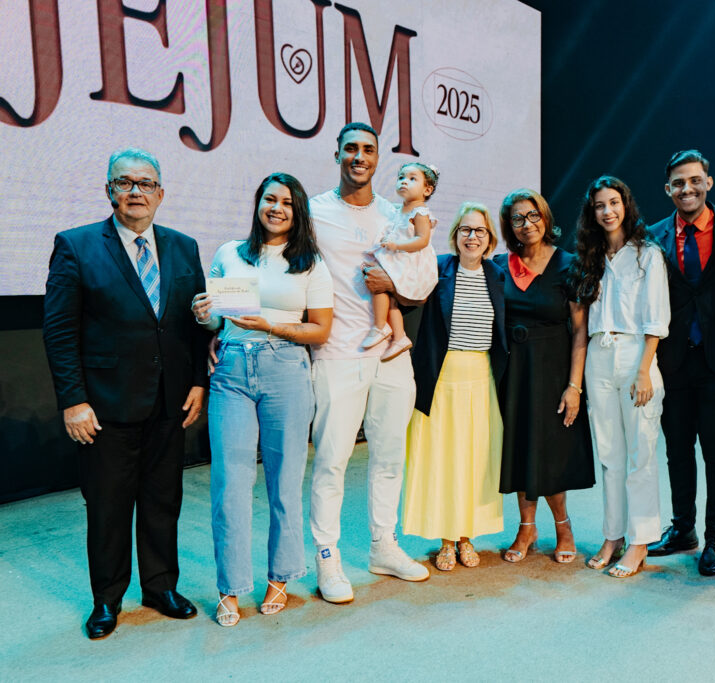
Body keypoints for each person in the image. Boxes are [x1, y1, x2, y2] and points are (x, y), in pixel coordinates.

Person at [42, 148, 208, 639]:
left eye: (146, 183)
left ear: (161, 193)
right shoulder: (75, 245)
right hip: (104, 406)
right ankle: (107, 599)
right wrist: (73, 401)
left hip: (169, 403)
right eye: (125, 182)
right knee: (108, 508)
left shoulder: (184, 247)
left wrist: (198, 381)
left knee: (163, 501)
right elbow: (59, 331)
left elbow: (194, 324)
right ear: (109, 190)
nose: (136, 191)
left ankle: (160, 587)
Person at [191, 173, 333, 627]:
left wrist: (270, 325)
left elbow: (320, 330)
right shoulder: (229, 253)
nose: (277, 208)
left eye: (287, 202)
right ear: (258, 204)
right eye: (270, 199)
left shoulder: (310, 263)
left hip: (286, 368)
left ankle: (280, 577)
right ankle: (230, 587)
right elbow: (216, 322)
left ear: (298, 211)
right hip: (232, 369)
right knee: (229, 484)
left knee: (284, 483)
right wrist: (204, 318)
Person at [307, 122, 430, 604]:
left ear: (378, 158)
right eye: (351, 149)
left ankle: (384, 546)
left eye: (368, 150)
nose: (360, 157)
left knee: (389, 456)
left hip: (391, 352)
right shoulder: (313, 211)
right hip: (338, 352)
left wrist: (391, 286)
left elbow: (421, 282)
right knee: (332, 461)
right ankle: (327, 557)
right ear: (336, 154)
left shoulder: (395, 214)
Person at [645, 151, 715, 576]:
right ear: (667, 189)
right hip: (673, 359)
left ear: (709, 182)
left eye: (694, 180)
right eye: (678, 183)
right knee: (677, 449)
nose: (686, 189)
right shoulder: (651, 236)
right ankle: (682, 528)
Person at [570, 175, 670, 578]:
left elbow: (656, 319)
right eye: (599, 205)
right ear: (592, 213)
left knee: (640, 454)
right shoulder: (590, 259)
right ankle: (612, 536)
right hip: (598, 355)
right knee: (609, 454)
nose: (607, 211)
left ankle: (639, 541)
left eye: (614, 202)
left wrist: (644, 370)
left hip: (635, 356)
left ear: (625, 205)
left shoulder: (648, 255)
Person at [402, 203, 509, 570]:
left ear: (489, 238)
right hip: (441, 379)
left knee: (475, 461)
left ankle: (467, 536)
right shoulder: (438, 269)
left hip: (481, 381)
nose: (472, 236)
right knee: (443, 460)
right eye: (465, 229)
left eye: (479, 230)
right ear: (455, 235)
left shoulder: (499, 276)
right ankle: (447, 539)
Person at [494, 189, 594, 565]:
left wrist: (574, 386)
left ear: (545, 218)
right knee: (520, 449)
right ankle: (527, 528)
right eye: (518, 218)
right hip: (513, 372)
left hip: (553, 371)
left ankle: (563, 526)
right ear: (509, 226)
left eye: (533, 215)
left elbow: (581, 330)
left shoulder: (569, 264)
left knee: (551, 452)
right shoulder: (501, 265)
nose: (527, 224)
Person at [360, 162, 440, 360]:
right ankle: (399, 336)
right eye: (401, 177)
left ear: (427, 190)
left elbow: (422, 240)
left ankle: (380, 326)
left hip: (411, 262)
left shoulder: (420, 212)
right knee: (388, 295)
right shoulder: (399, 210)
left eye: (412, 179)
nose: (404, 181)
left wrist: (396, 245)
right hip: (401, 258)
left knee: (381, 284)